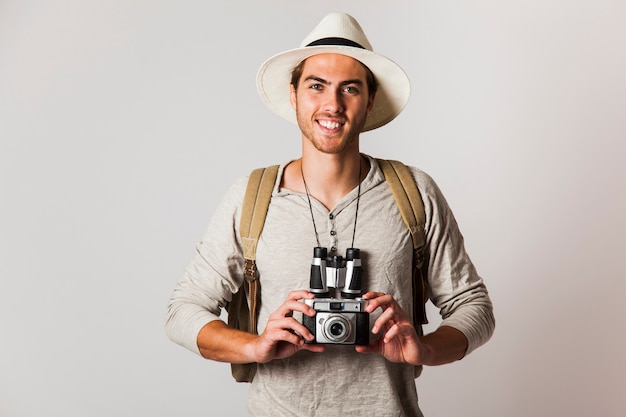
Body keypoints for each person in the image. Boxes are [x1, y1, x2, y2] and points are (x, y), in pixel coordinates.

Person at [166, 12, 494, 417]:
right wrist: (255, 346)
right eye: (316, 86)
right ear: (294, 95)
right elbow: (182, 312)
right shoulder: (252, 198)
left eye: (350, 89)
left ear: (370, 100)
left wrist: (421, 349)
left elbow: (474, 306)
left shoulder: (413, 192)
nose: (332, 104)